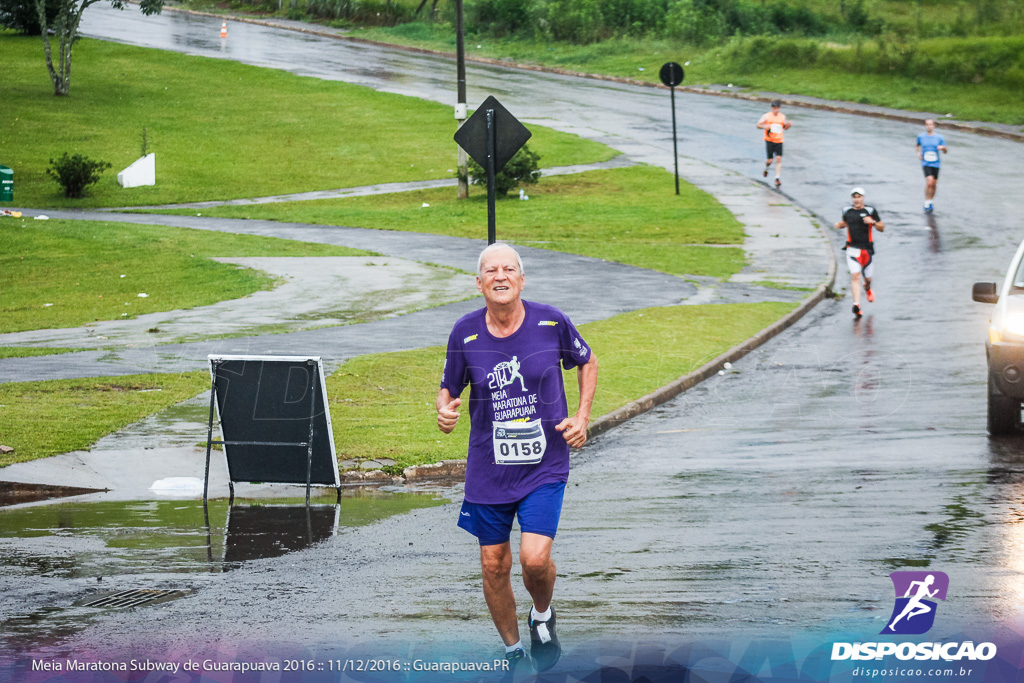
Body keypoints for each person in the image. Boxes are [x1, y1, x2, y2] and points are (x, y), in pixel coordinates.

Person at [437, 243, 599, 673]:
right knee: (493, 564)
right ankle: (512, 652)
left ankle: (542, 615)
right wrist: (445, 408)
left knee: (533, 558)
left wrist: (582, 416)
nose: (501, 275)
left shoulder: (551, 321)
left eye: (509, 268)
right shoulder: (465, 332)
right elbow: (449, 387)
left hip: (544, 465)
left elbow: (587, 361)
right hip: (488, 468)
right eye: (491, 270)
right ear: (479, 283)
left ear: (522, 280)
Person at [834, 187, 885, 318]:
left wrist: (872, 222)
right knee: (855, 276)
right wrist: (840, 225)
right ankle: (857, 304)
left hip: (867, 250)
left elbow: (882, 227)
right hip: (852, 249)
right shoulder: (847, 211)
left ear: (863, 198)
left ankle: (867, 288)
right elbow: (846, 222)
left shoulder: (870, 211)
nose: (857, 200)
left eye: (859, 197)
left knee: (867, 278)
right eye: (854, 197)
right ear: (852, 198)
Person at [756, 99, 791, 188]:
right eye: (774, 107)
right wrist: (765, 126)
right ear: (772, 108)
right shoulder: (766, 116)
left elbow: (785, 127)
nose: (776, 109)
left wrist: (788, 125)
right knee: (770, 160)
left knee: (779, 158)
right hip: (769, 140)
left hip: (779, 140)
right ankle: (766, 168)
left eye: (777, 108)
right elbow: (758, 125)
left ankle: (777, 178)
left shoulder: (782, 117)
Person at [916, 119, 947, 213]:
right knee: (929, 182)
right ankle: (926, 201)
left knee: (934, 183)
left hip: (935, 163)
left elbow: (946, 151)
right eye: (927, 124)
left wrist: (943, 148)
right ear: (925, 126)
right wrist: (918, 153)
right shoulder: (921, 137)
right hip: (926, 163)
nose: (929, 126)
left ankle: (930, 200)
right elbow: (917, 145)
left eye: (930, 124)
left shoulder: (939, 137)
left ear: (934, 126)